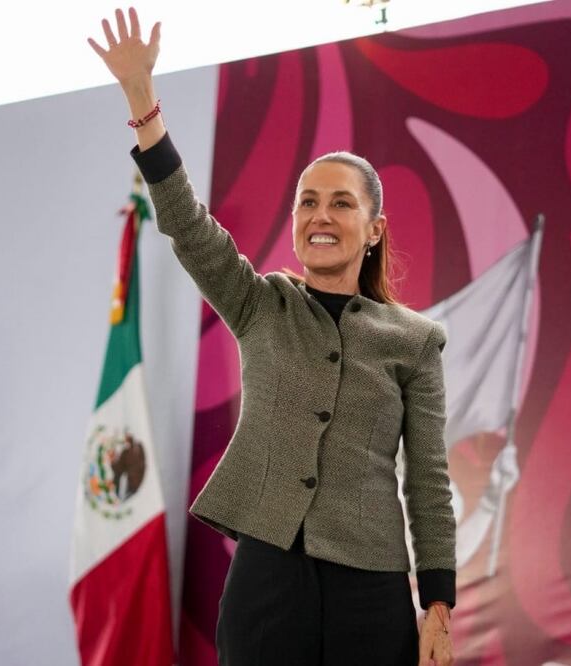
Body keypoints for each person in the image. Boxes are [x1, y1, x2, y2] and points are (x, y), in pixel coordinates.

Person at [89, 9, 456, 666]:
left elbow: (427, 480)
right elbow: (188, 225)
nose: (321, 215)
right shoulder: (260, 304)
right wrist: (142, 100)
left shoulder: (416, 341)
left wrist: (438, 607)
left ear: (374, 229)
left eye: (341, 203)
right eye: (308, 202)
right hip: (267, 581)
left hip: (372, 591)